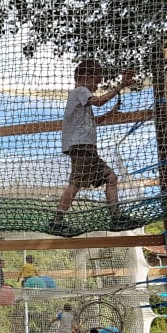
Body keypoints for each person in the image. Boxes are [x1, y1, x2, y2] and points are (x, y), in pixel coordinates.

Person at [48, 60, 138, 236]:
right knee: (75, 184)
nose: (96, 86)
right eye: (96, 81)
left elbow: (93, 122)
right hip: (81, 148)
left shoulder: (82, 100)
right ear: (85, 76)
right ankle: (57, 221)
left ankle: (116, 216)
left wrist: (111, 114)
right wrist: (120, 86)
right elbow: (98, 101)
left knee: (111, 177)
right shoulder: (80, 91)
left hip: (88, 149)